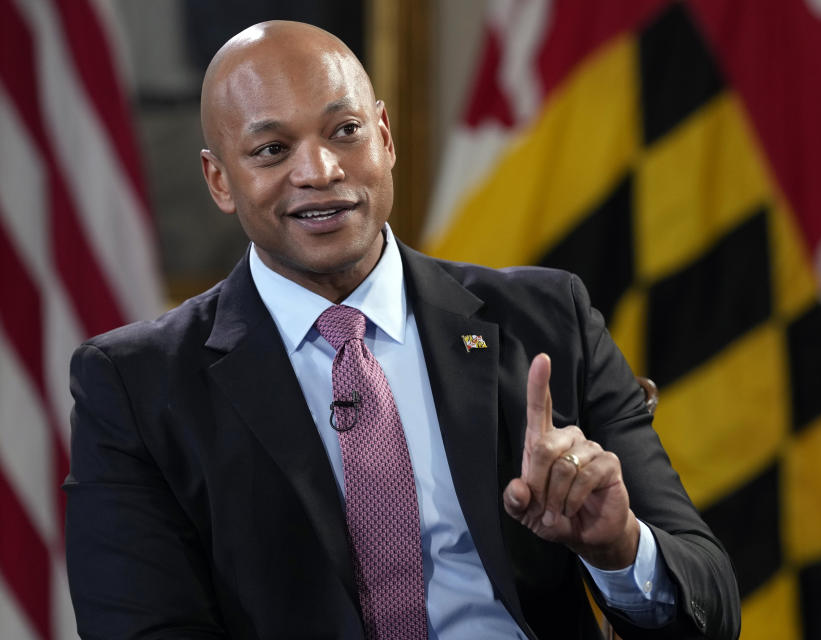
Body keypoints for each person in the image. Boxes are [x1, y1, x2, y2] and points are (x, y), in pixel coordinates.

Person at [64, 20, 739, 640]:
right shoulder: (134, 385)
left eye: (344, 131)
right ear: (220, 180)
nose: (319, 171)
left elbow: (711, 605)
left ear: (384, 137)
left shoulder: (546, 319)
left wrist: (618, 548)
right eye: (272, 149)